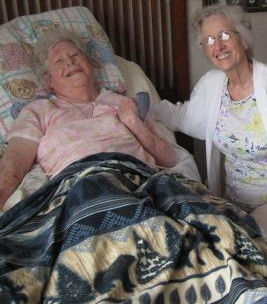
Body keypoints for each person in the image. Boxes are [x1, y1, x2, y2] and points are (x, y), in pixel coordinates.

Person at [153, 4, 267, 249]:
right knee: (205, 242)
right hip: (232, 199)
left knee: (245, 246)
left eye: (224, 35)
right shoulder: (211, 85)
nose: (217, 46)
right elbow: (185, 116)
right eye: (208, 40)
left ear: (245, 40)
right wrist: (145, 107)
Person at [0, 29, 177, 209]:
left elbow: (169, 159)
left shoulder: (125, 103)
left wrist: (132, 122)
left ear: (90, 64)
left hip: (142, 182)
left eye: (75, 55)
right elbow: (14, 163)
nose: (69, 61)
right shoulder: (39, 111)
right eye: (59, 61)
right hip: (79, 190)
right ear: (49, 81)